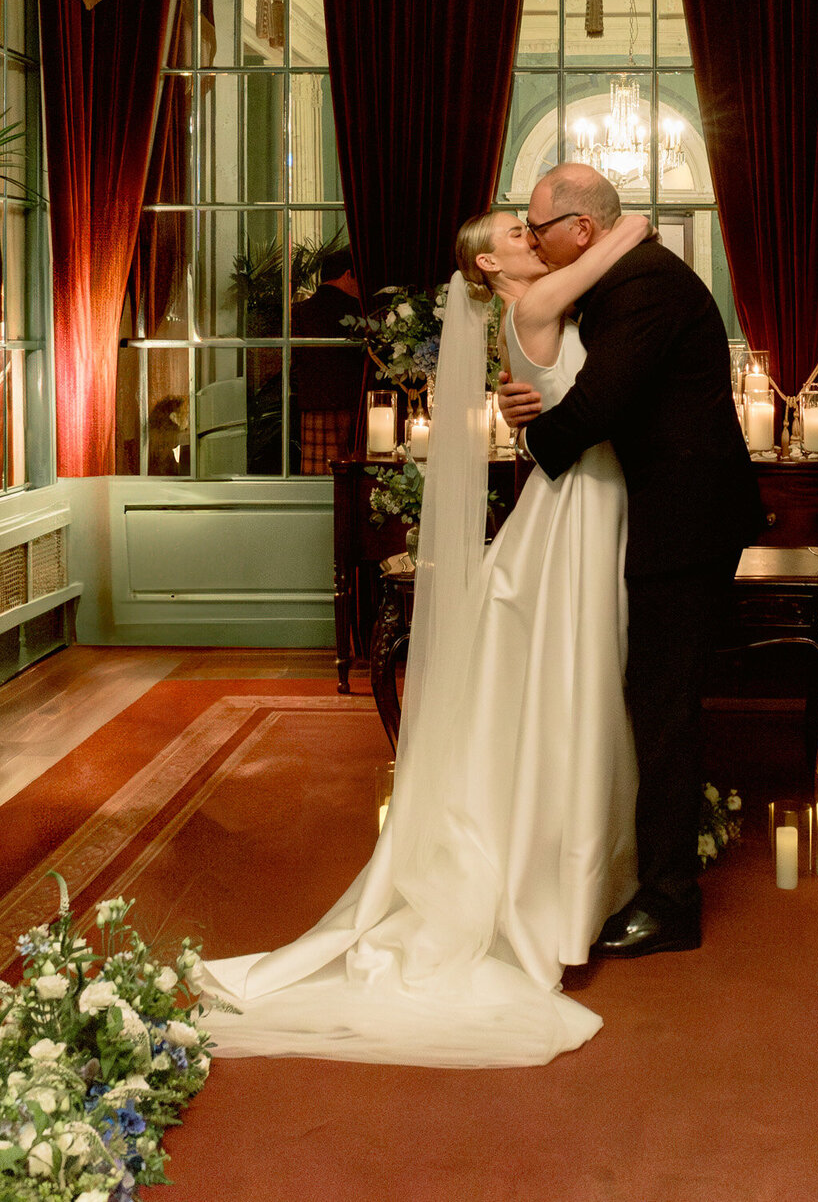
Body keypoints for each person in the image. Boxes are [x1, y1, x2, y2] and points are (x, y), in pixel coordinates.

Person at [199, 205, 652, 1067]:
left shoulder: (542, 311)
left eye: (532, 226)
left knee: (568, 680)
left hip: (578, 500)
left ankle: (565, 858)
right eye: (516, 233)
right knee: (572, 674)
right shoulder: (534, 305)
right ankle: (555, 873)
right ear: (486, 270)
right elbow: (624, 242)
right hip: (576, 509)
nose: (533, 235)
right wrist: (623, 222)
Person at [500, 164, 765, 958]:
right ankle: (651, 875)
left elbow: (602, 402)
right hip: (664, 516)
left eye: (539, 227)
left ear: (581, 230)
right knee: (653, 706)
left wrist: (534, 436)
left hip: (682, 524)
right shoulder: (619, 279)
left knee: (665, 712)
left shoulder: (643, 284)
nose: (534, 240)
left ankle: (670, 904)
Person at [290, 247, 362, 473]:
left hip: (312, 407)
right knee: (350, 480)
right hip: (353, 408)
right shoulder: (358, 312)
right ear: (348, 275)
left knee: (317, 478)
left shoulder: (300, 311)